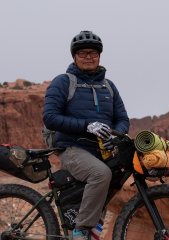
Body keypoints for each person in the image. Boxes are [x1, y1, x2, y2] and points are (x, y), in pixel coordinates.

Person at [43, 30, 130, 239]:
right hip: (71, 147)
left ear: (99, 56)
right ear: (75, 56)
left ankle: (92, 231)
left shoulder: (109, 86)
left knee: (115, 177)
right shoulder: (63, 82)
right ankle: (80, 230)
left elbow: (123, 119)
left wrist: (117, 135)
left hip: (102, 150)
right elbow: (50, 117)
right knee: (101, 174)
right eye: (83, 53)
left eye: (93, 53)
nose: (88, 57)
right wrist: (87, 126)